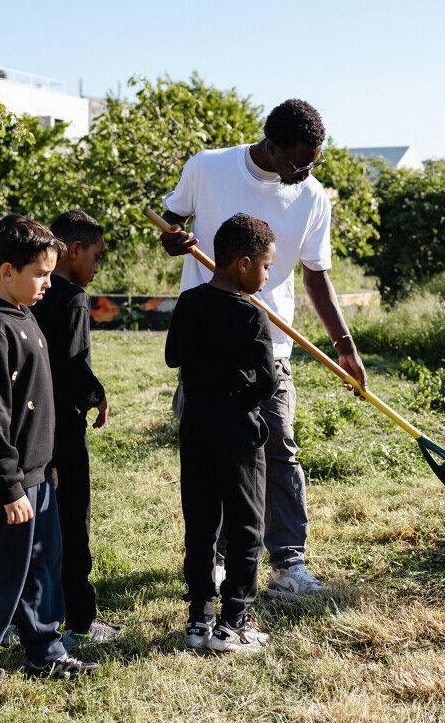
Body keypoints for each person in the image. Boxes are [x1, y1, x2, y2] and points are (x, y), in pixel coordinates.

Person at [160, 98, 367, 600]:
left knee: (279, 448)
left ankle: (288, 563)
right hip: (207, 343)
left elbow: (316, 276)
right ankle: (209, 561)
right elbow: (170, 225)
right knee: (208, 458)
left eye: (314, 161)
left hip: (269, 344)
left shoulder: (313, 197)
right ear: (271, 147)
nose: (306, 171)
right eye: (299, 160)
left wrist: (345, 345)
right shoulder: (208, 167)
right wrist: (176, 240)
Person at [0, 214, 97, 706]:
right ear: (7, 269)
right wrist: (10, 484)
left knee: (42, 563)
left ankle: (44, 649)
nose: (47, 283)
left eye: (52, 273)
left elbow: (39, 401)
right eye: (40, 273)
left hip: (38, 472)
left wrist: (46, 462)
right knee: (2, 567)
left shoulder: (23, 315)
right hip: (8, 481)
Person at [166, 213, 278, 652]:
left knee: (201, 522)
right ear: (245, 264)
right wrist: (239, 387)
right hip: (238, 433)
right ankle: (234, 621)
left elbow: (174, 356)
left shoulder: (189, 302)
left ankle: (199, 618)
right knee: (246, 524)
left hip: (195, 427)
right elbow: (267, 383)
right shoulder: (252, 316)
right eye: (266, 267)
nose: (267, 277)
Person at [31, 209, 122, 647]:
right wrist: (97, 395)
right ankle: (80, 620)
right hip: (64, 430)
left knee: (42, 527)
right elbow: (70, 365)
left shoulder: (34, 295)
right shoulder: (71, 298)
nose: (98, 266)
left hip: (35, 427)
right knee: (73, 521)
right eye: (96, 256)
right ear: (74, 250)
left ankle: (31, 613)